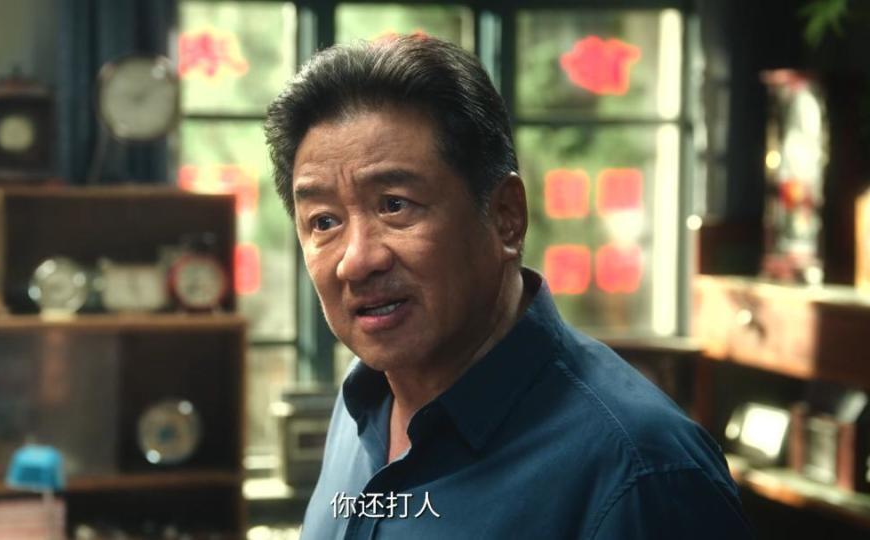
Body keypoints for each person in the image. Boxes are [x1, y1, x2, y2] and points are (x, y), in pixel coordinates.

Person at [264, 35, 752, 540]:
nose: (357, 260)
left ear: (506, 218)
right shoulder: (362, 402)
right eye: (324, 221)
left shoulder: (642, 475)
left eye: (395, 205)